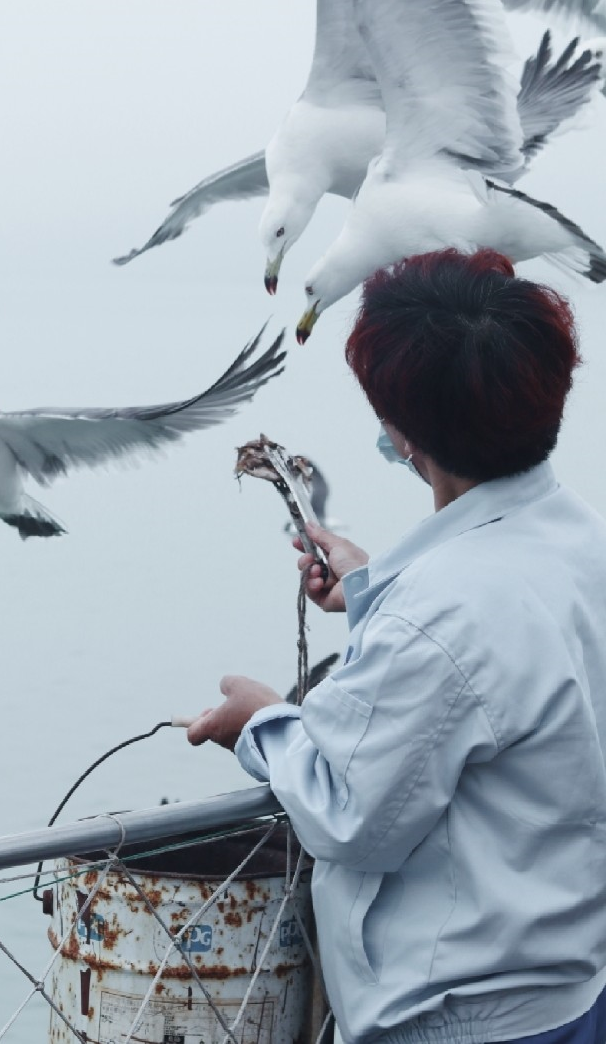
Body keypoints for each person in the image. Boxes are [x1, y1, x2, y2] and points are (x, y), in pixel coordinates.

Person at [188, 249, 606, 1044]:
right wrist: (377, 586)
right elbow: (491, 668)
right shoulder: (582, 540)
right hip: (574, 993)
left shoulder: (440, 610)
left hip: (464, 1020)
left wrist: (263, 723)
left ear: (403, 427)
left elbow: (350, 810)